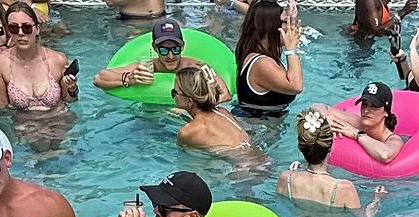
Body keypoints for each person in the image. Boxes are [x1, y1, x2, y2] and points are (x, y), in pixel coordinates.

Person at [93, 18, 230, 101]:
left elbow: (225, 95)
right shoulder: (147, 67)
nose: (170, 56)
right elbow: (99, 78)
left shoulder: (195, 67)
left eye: (175, 49)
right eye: (164, 50)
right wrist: (129, 79)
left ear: (182, 46)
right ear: (155, 48)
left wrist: (192, 107)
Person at [276, 108, 384, 213]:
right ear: (330, 147)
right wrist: (377, 199)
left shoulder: (286, 179)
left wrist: (292, 172)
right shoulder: (344, 188)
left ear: (301, 147)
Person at [0, 2, 78, 111]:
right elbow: (0, 109)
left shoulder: (58, 60)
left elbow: (70, 100)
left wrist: (72, 88)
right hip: (23, 121)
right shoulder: (0, 62)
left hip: (60, 120)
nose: (20, 33)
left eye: (27, 27)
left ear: (37, 29)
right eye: (14, 28)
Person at [234, 1, 303, 114]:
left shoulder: (259, 53)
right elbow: (296, 86)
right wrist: (291, 49)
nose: (290, 27)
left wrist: (291, 17)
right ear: (272, 26)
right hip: (255, 124)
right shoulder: (262, 64)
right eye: (285, 22)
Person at [316, 82, 405, 165]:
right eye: (364, 104)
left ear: (386, 112)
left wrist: (357, 134)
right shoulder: (358, 123)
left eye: (373, 106)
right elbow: (317, 106)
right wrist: (327, 117)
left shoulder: (393, 139)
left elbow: (385, 155)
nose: (366, 111)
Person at [174, 66, 251, 151]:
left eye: (175, 92)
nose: (174, 96)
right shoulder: (223, 112)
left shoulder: (186, 132)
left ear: (190, 101)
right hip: (257, 154)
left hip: (237, 159)